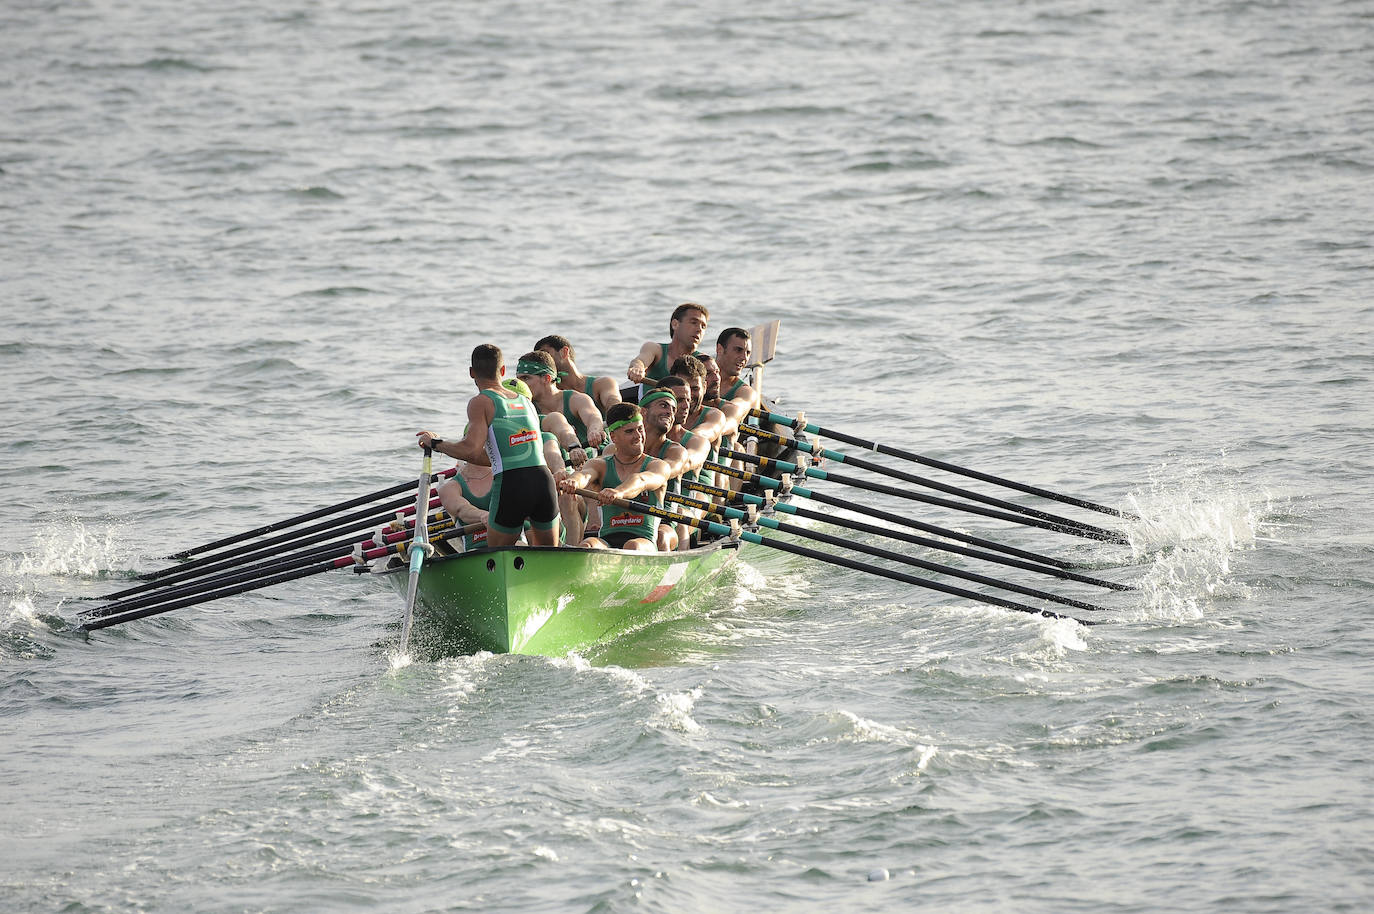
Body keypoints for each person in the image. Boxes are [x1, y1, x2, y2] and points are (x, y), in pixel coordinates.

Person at [416, 343, 559, 548]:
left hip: (512, 485)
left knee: (497, 556)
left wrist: (436, 443)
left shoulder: (481, 402)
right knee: (550, 555)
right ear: (503, 371)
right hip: (544, 482)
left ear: (472, 373)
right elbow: (502, 454)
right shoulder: (526, 400)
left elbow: (471, 450)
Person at [556, 403, 669, 551]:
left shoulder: (658, 466)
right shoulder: (600, 465)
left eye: (640, 429)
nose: (638, 436)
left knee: (632, 546)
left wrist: (619, 492)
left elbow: (640, 481)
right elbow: (584, 475)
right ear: (613, 436)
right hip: (607, 540)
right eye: (630, 431)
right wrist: (573, 482)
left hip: (644, 541)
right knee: (588, 544)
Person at [513, 350, 604, 467]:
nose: (520, 385)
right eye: (518, 379)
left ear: (546, 378)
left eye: (525, 378)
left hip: (587, 465)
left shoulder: (576, 400)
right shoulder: (524, 408)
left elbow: (593, 417)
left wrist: (594, 431)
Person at [535, 334, 622, 418]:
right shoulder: (544, 395)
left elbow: (613, 400)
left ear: (564, 352)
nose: (542, 361)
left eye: (546, 354)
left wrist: (614, 413)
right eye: (538, 358)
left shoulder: (603, 384)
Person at [627, 302, 709, 385]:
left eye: (703, 326)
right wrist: (637, 368)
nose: (699, 329)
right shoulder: (655, 350)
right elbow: (640, 361)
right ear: (675, 324)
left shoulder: (703, 361)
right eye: (694, 322)